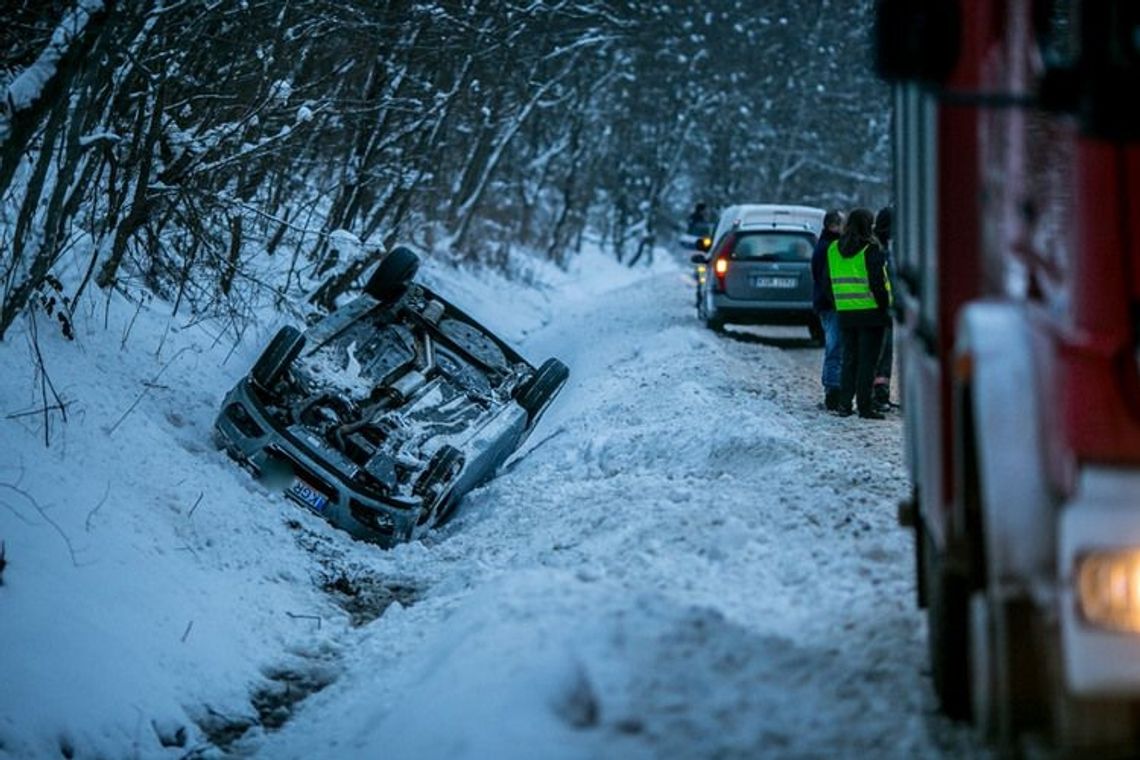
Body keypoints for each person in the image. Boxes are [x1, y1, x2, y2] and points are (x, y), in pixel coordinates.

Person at [825, 207, 892, 419]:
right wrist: (885, 308)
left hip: (846, 313)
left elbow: (827, 282)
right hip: (871, 313)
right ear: (868, 225)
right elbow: (878, 284)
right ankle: (865, 406)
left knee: (850, 360)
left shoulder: (833, 248)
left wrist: (838, 304)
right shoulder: (870, 249)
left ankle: (844, 405)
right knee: (868, 362)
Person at [810, 209, 845, 410]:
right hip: (831, 305)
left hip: (825, 303)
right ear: (833, 225)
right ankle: (833, 391)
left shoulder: (823, 245)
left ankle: (832, 388)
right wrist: (834, 300)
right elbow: (825, 279)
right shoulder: (829, 247)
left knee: (834, 347)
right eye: (841, 224)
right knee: (835, 347)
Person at [872, 206, 896, 409]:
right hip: (880, 304)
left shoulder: (878, 244)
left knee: (883, 352)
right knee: (882, 352)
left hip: (881, 304)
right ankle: (878, 393)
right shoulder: (879, 247)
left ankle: (880, 392)